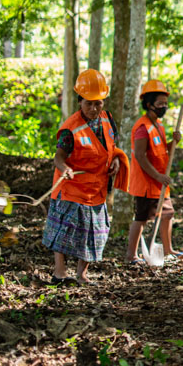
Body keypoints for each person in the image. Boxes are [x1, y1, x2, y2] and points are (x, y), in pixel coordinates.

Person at [43, 69, 127, 285]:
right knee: (62, 232)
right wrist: (65, 169)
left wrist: (116, 161)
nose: (93, 108)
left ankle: (81, 274)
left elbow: (112, 148)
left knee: (93, 234)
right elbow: (58, 158)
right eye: (88, 103)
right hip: (71, 188)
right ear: (80, 101)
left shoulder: (108, 120)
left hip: (96, 189)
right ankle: (59, 273)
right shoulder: (70, 129)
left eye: (98, 103)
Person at [125, 79, 183, 265]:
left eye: (165, 104)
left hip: (160, 183)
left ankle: (168, 250)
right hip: (147, 183)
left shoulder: (158, 125)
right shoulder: (142, 127)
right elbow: (141, 157)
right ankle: (131, 256)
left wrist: (173, 143)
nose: (163, 107)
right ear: (149, 104)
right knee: (141, 219)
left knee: (167, 214)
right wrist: (157, 176)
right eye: (160, 104)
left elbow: (159, 150)